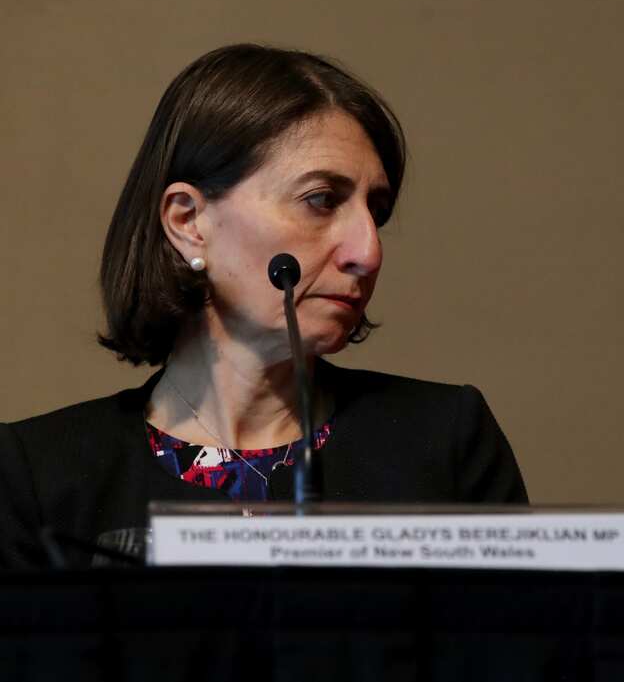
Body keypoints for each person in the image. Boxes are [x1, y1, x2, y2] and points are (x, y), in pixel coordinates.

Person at [0, 44, 527, 569]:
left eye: (378, 211)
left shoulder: (445, 442)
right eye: (321, 199)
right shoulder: (38, 476)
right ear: (188, 222)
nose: (368, 253)